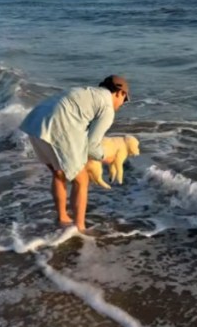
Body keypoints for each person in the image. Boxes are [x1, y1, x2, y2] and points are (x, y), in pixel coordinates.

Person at [19, 75, 130, 232]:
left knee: (59, 173)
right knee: (82, 180)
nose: (121, 105)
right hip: (56, 126)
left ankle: (63, 218)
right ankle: (80, 228)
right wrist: (106, 157)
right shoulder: (107, 107)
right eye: (124, 100)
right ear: (120, 93)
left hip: (35, 122)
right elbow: (92, 146)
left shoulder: (87, 92)